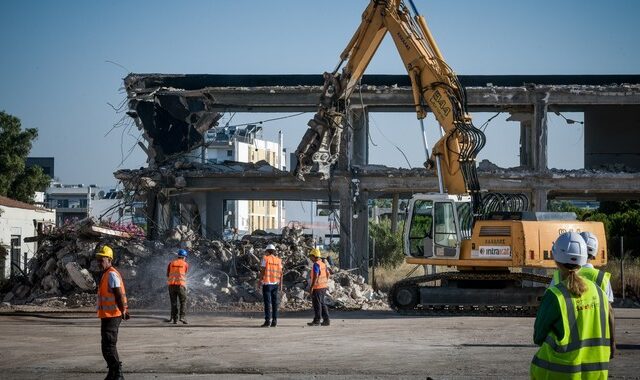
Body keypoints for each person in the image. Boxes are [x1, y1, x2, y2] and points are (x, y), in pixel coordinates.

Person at [531, 232, 612, 379]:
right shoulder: (599, 292)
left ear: (556, 259)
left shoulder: (554, 295)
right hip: (596, 373)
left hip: (561, 373)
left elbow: (538, 337)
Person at [96, 245, 130, 380]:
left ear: (109, 259)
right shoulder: (106, 273)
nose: (99, 262)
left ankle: (118, 374)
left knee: (109, 346)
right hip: (107, 315)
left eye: (102, 259)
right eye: (98, 259)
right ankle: (112, 373)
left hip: (113, 315)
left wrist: (123, 310)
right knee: (107, 346)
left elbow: (119, 295)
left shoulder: (111, 274)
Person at [258, 243, 283, 327]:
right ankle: (274, 321)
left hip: (267, 284)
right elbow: (281, 273)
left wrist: (259, 281)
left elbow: (263, 271)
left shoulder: (265, 259)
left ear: (267, 251)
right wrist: (281, 284)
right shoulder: (278, 260)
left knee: (267, 303)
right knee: (274, 303)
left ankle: (267, 321)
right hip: (275, 283)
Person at [307, 248, 330, 326]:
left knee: (317, 304)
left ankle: (317, 320)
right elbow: (328, 274)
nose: (310, 258)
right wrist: (325, 282)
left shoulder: (316, 264)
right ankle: (326, 320)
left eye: (311, 256)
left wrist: (312, 287)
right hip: (323, 286)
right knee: (322, 303)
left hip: (318, 287)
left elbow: (316, 275)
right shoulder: (323, 264)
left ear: (314, 256)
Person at [166, 249, 189, 324]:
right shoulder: (185, 264)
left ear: (178, 256)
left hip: (171, 285)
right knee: (183, 301)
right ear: (184, 257)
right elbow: (185, 273)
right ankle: (182, 317)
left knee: (173, 302)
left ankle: (174, 319)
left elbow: (168, 274)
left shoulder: (171, 263)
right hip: (180, 285)